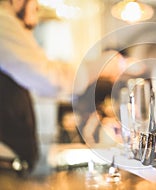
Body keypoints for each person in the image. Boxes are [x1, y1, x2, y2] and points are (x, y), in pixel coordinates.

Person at [0, 0, 99, 171]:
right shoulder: (2, 22)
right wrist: (98, 67)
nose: (37, 10)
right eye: (34, 3)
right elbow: (50, 80)